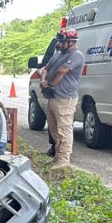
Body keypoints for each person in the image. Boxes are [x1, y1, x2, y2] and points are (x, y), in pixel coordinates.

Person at [39, 29, 84, 170]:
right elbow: (45, 69)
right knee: (53, 129)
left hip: (65, 98)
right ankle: (57, 156)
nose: (59, 44)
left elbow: (62, 71)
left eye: (62, 41)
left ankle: (64, 159)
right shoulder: (58, 54)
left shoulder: (77, 55)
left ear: (71, 42)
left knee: (64, 129)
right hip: (53, 97)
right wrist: (43, 81)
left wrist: (50, 85)